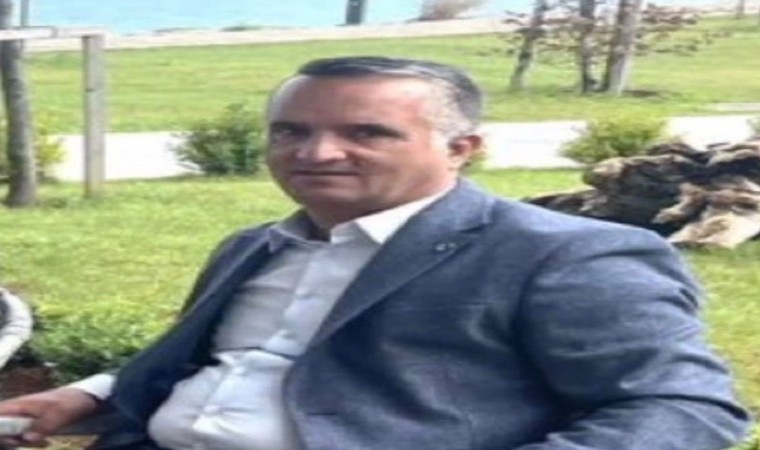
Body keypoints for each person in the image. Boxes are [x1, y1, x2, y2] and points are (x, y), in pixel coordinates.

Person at [0, 56, 749, 450]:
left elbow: (682, 408)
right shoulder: (253, 245)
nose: (316, 152)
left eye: (367, 133)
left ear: (462, 147)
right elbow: (214, 361)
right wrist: (91, 395)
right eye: (291, 131)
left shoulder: (563, 256)